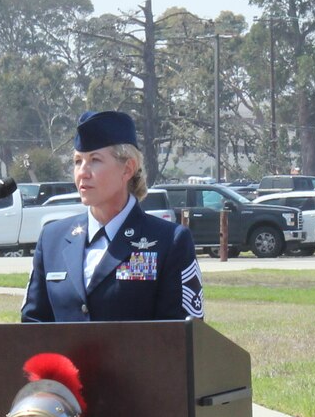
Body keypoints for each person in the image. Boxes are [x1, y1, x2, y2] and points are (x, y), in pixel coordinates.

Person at [22, 110, 204, 323]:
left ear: (127, 169)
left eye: (95, 160)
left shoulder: (169, 241)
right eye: (78, 161)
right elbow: (32, 326)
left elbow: (183, 335)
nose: (83, 172)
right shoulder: (52, 238)